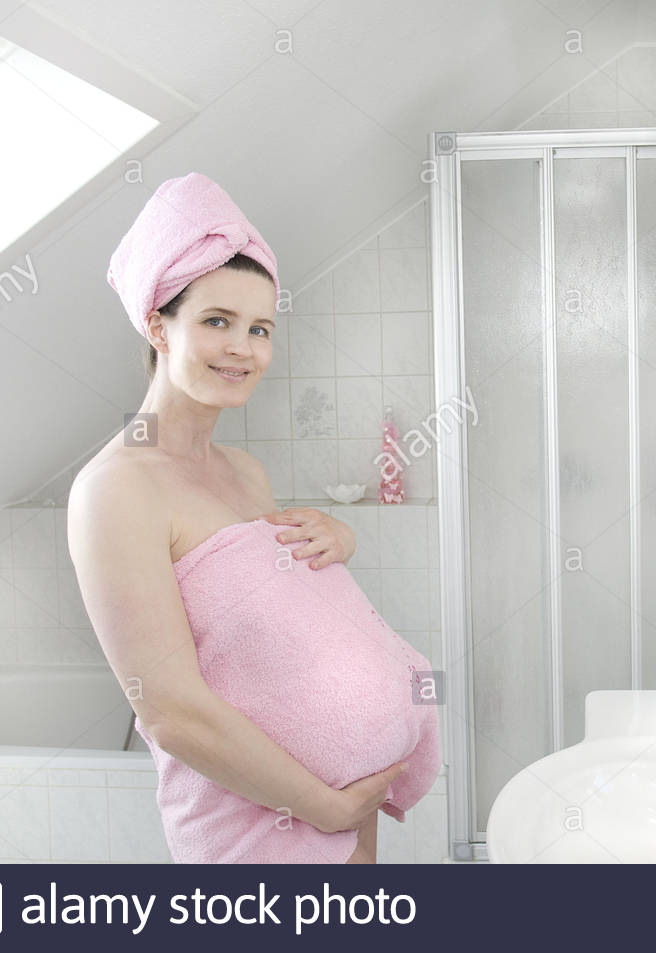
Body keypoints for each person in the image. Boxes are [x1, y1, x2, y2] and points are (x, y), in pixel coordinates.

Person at [67, 172, 440, 863]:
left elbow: (271, 624)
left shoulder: (245, 471)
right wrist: (324, 804)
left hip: (344, 811)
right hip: (266, 832)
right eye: (216, 321)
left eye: (259, 328)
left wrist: (342, 536)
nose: (243, 348)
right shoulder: (115, 491)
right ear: (158, 325)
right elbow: (169, 711)